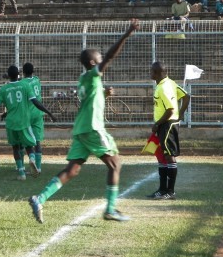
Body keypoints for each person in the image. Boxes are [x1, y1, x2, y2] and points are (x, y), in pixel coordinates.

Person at [28, 20, 140, 224]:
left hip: (81, 129)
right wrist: (126, 34)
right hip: (92, 127)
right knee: (115, 164)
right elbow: (110, 56)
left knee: (73, 170)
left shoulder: (85, 79)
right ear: (92, 63)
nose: (101, 58)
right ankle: (110, 210)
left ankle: (40, 198)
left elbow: (89, 100)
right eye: (98, 57)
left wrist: (104, 94)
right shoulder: (92, 75)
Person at [0, 65, 54, 181]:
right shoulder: (30, 82)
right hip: (27, 118)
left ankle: (21, 172)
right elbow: (35, 101)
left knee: (16, 146)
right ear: (19, 74)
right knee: (32, 143)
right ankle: (34, 161)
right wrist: (49, 112)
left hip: (12, 121)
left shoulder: (4, 89)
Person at [147, 61, 190, 200]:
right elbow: (186, 96)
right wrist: (182, 112)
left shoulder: (163, 88)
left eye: (152, 71)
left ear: (158, 73)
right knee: (161, 155)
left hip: (167, 124)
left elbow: (170, 110)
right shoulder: (169, 82)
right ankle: (162, 189)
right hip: (166, 124)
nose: (150, 73)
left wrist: (157, 124)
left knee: (169, 155)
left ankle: (170, 192)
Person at [22, 62, 54, 175]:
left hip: (27, 114)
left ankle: (29, 161)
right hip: (39, 113)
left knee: (27, 140)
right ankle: (39, 167)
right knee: (38, 141)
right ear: (33, 71)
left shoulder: (22, 83)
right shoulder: (37, 79)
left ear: (23, 72)